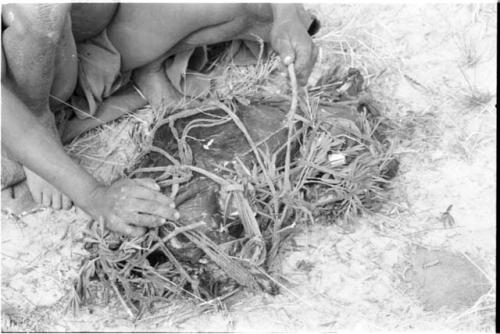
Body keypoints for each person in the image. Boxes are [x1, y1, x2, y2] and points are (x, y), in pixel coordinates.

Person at [1, 3, 318, 236]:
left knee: (255, 9)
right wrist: (95, 196)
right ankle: (41, 120)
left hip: (94, 36)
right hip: (21, 85)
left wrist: (286, 15)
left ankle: (147, 68)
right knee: (40, 8)